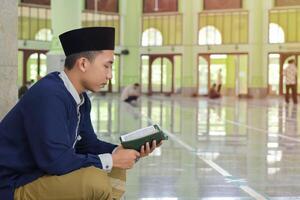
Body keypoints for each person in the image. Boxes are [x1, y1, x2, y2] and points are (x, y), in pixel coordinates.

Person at [0, 27, 161, 200]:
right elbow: (55, 161)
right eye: (107, 66)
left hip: (37, 174)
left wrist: (123, 151)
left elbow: (87, 144)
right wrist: (112, 160)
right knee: (94, 180)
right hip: (13, 184)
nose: (110, 75)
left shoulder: (80, 98)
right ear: (83, 64)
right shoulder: (49, 95)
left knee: (115, 169)